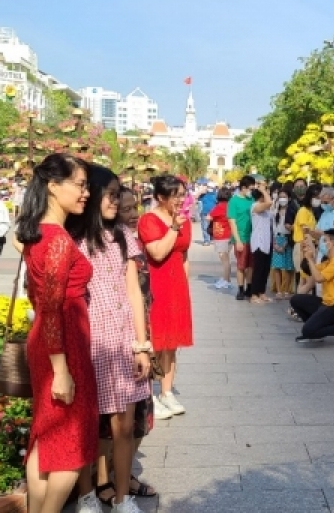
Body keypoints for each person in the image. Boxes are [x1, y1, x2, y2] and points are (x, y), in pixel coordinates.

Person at [15, 153, 99, 513]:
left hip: (51, 343)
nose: (85, 194)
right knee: (71, 443)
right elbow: (51, 308)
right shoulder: (59, 241)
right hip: (61, 346)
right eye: (80, 185)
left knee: (45, 435)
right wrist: (62, 371)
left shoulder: (38, 235)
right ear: (53, 186)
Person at [66, 166, 152, 513]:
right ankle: (87, 495)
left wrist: (142, 344)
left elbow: (134, 292)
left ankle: (121, 498)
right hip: (89, 342)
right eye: (111, 194)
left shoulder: (122, 237)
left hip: (122, 340)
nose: (117, 201)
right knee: (88, 424)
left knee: (125, 426)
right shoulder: (72, 239)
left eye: (120, 195)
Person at [139, 175, 193, 419]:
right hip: (156, 284)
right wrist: (174, 228)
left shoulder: (184, 220)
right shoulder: (148, 221)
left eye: (183, 194)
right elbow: (158, 253)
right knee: (157, 340)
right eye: (176, 195)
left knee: (172, 342)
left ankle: (167, 392)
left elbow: (184, 255)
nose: (181, 200)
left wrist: (184, 285)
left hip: (176, 286)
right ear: (161, 197)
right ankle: (149, 394)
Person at [290, 228, 334, 346]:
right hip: (326, 303)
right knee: (296, 299)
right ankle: (316, 331)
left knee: (306, 331)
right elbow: (308, 269)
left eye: (325, 240)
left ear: (332, 243)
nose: (322, 243)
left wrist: (310, 259)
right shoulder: (329, 261)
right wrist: (307, 253)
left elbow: (318, 278)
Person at [228, 176, 256, 301]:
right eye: (250, 189)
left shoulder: (252, 199)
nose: (252, 191)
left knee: (251, 265)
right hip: (241, 238)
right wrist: (237, 240)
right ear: (243, 188)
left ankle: (249, 288)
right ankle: (240, 289)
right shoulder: (233, 201)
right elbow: (232, 222)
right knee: (241, 265)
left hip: (253, 238)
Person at [292, 183, 323, 296]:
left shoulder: (311, 211)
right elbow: (306, 232)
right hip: (303, 246)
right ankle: (297, 304)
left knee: (306, 279)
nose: (319, 200)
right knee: (303, 279)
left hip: (309, 247)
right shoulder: (303, 211)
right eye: (317, 197)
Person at [248, 184, 274, 304]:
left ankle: (261, 292)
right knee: (258, 269)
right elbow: (269, 203)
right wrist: (263, 190)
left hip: (267, 242)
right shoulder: (255, 206)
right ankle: (254, 294)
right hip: (258, 242)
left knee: (265, 269)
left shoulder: (267, 210)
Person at [271, 188, 296, 299]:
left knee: (288, 267)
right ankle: (279, 290)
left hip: (288, 240)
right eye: (280, 196)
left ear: (289, 198)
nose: (282, 199)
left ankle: (286, 289)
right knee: (277, 267)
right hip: (277, 239)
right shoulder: (275, 211)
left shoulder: (292, 212)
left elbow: (292, 230)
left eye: (284, 196)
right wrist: (275, 244)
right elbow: (273, 229)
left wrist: (285, 244)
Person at [208, 187, 234, 290]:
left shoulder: (220, 206)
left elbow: (208, 217)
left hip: (221, 236)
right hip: (229, 235)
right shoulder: (230, 206)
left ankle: (226, 281)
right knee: (226, 259)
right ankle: (226, 279)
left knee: (224, 260)